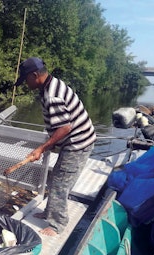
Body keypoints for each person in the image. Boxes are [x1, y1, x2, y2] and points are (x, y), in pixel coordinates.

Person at [8, 57, 96, 236]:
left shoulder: (52, 95)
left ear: (35, 75)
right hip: (76, 140)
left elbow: (64, 127)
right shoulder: (51, 84)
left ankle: (57, 225)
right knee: (57, 176)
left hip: (78, 144)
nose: (25, 83)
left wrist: (42, 148)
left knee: (60, 183)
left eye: (26, 79)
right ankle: (50, 212)